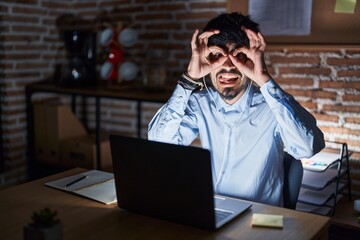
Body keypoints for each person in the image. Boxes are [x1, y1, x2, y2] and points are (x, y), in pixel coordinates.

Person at [147, 12, 325, 207]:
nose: (228, 66)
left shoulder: (273, 107)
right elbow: (158, 144)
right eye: (217, 55)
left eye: (239, 55)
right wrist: (189, 79)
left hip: (259, 219)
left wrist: (264, 79)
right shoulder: (199, 103)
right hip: (210, 213)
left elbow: (307, 148)